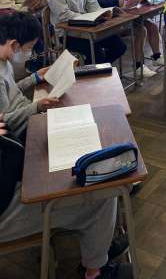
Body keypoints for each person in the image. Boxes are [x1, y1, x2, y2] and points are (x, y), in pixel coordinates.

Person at [0, 109, 132, 279]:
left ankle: (99, 251)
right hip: (6, 209)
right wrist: (10, 144)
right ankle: (95, 271)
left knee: (84, 171)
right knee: (101, 195)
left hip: (13, 186)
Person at [94, 0, 161, 77]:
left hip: (127, 14)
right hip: (112, 18)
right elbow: (99, 4)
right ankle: (138, 66)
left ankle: (157, 57)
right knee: (141, 30)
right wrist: (117, 2)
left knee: (152, 26)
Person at [0, 12, 59, 137]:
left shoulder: (5, 61)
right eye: (29, 47)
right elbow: (4, 122)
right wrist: (36, 107)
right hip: (19, 128)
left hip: (25, 111)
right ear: (14, 44)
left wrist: (35, 77)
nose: (30, 53)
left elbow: (12, 91)